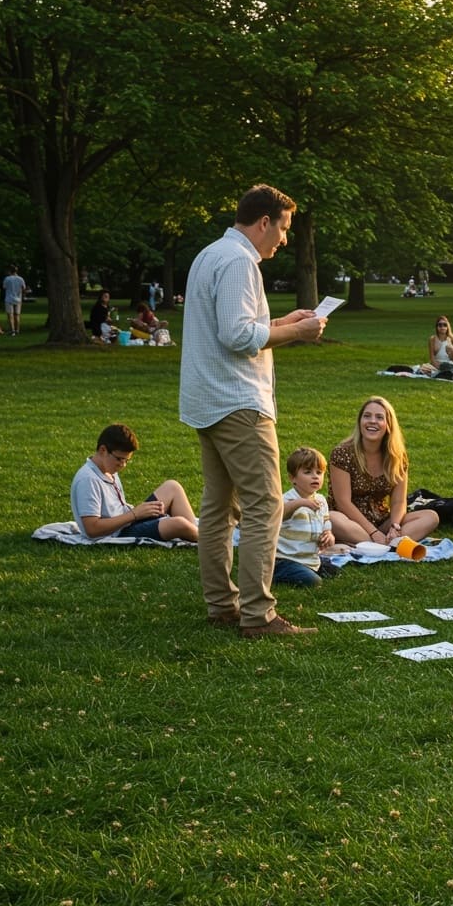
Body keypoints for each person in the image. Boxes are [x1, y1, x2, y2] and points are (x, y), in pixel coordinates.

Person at [179, 183, 326, 638]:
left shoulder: (210, 254)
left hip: (208, 401)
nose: (284, 239)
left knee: (218, 508)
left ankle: (222, 605)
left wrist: (281, 323)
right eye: (282, 229)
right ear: (263, 222)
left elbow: (238, 324)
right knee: (264, 506)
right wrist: (298, 335)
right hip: (238, 401)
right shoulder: (241, 261)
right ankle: (258, 615)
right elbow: (238, 336)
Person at [328, 396, 440, 545]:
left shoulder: (397, 456)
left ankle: (383, 542)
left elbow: (399, 501)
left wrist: (395, 526)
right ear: (360, 422)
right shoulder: (342, 453)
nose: (372, 421)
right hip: (349, 520)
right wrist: (373, 532)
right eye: (367, 416)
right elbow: (343, 502)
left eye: (379, 417)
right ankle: (386, 544)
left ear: (388, 425)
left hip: (381, 520)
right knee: (332, 519)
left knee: (431, 517)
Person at [70, 423, 199, 542]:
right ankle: (210, 543)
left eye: (127, 460)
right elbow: (92, 529)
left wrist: (137, 514)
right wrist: (134, 514)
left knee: (172, 487)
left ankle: (197, 534)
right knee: (178, 524)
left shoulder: (107, 468)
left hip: (128, 521)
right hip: (118, 533)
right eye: (120, 459)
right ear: (103, 450)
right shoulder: (88, 479)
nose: (123, 465)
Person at [273, 447, 340, 588]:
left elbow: (326, 522)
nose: (315, 476)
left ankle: (310, 569)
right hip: (285, 559)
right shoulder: (287, 499)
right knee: (314, 582)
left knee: (334, 571)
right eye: (308, 472)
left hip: (310, 558)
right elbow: (279, 515)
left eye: (319, 472)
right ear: (293, 478)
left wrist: (328, 535)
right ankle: (276, 573)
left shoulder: (321, 500)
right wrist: (301, 503)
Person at [3, 265, 27, 336]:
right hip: (18, 299)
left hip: (9, 298)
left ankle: (12, 331)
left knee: (10, 315)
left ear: (10, 271)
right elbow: (23, 288)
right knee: (17, 315)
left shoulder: (7, 278)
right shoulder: (21, 279)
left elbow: (4, 287)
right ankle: (17, 330)